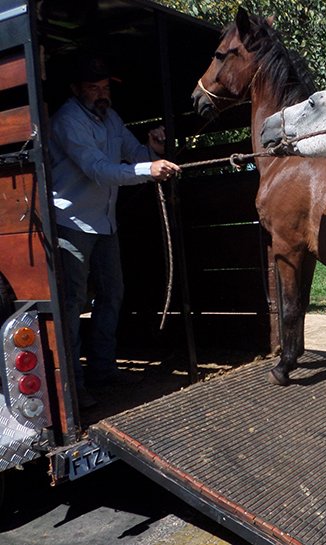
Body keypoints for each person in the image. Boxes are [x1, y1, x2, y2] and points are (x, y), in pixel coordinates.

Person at [49, 55, 181, 409]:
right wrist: (148, 168)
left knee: (113, 295)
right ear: (76, 89)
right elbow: (99, 170)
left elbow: (133, 152)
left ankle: (103, 371)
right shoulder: (67, 121)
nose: (101, 94)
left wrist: (152, 149)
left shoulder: (110, 118)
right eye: (93, 88)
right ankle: (74, 386)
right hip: (71, 223)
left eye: (105, 87)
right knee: (74, 304)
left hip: (104, 223)